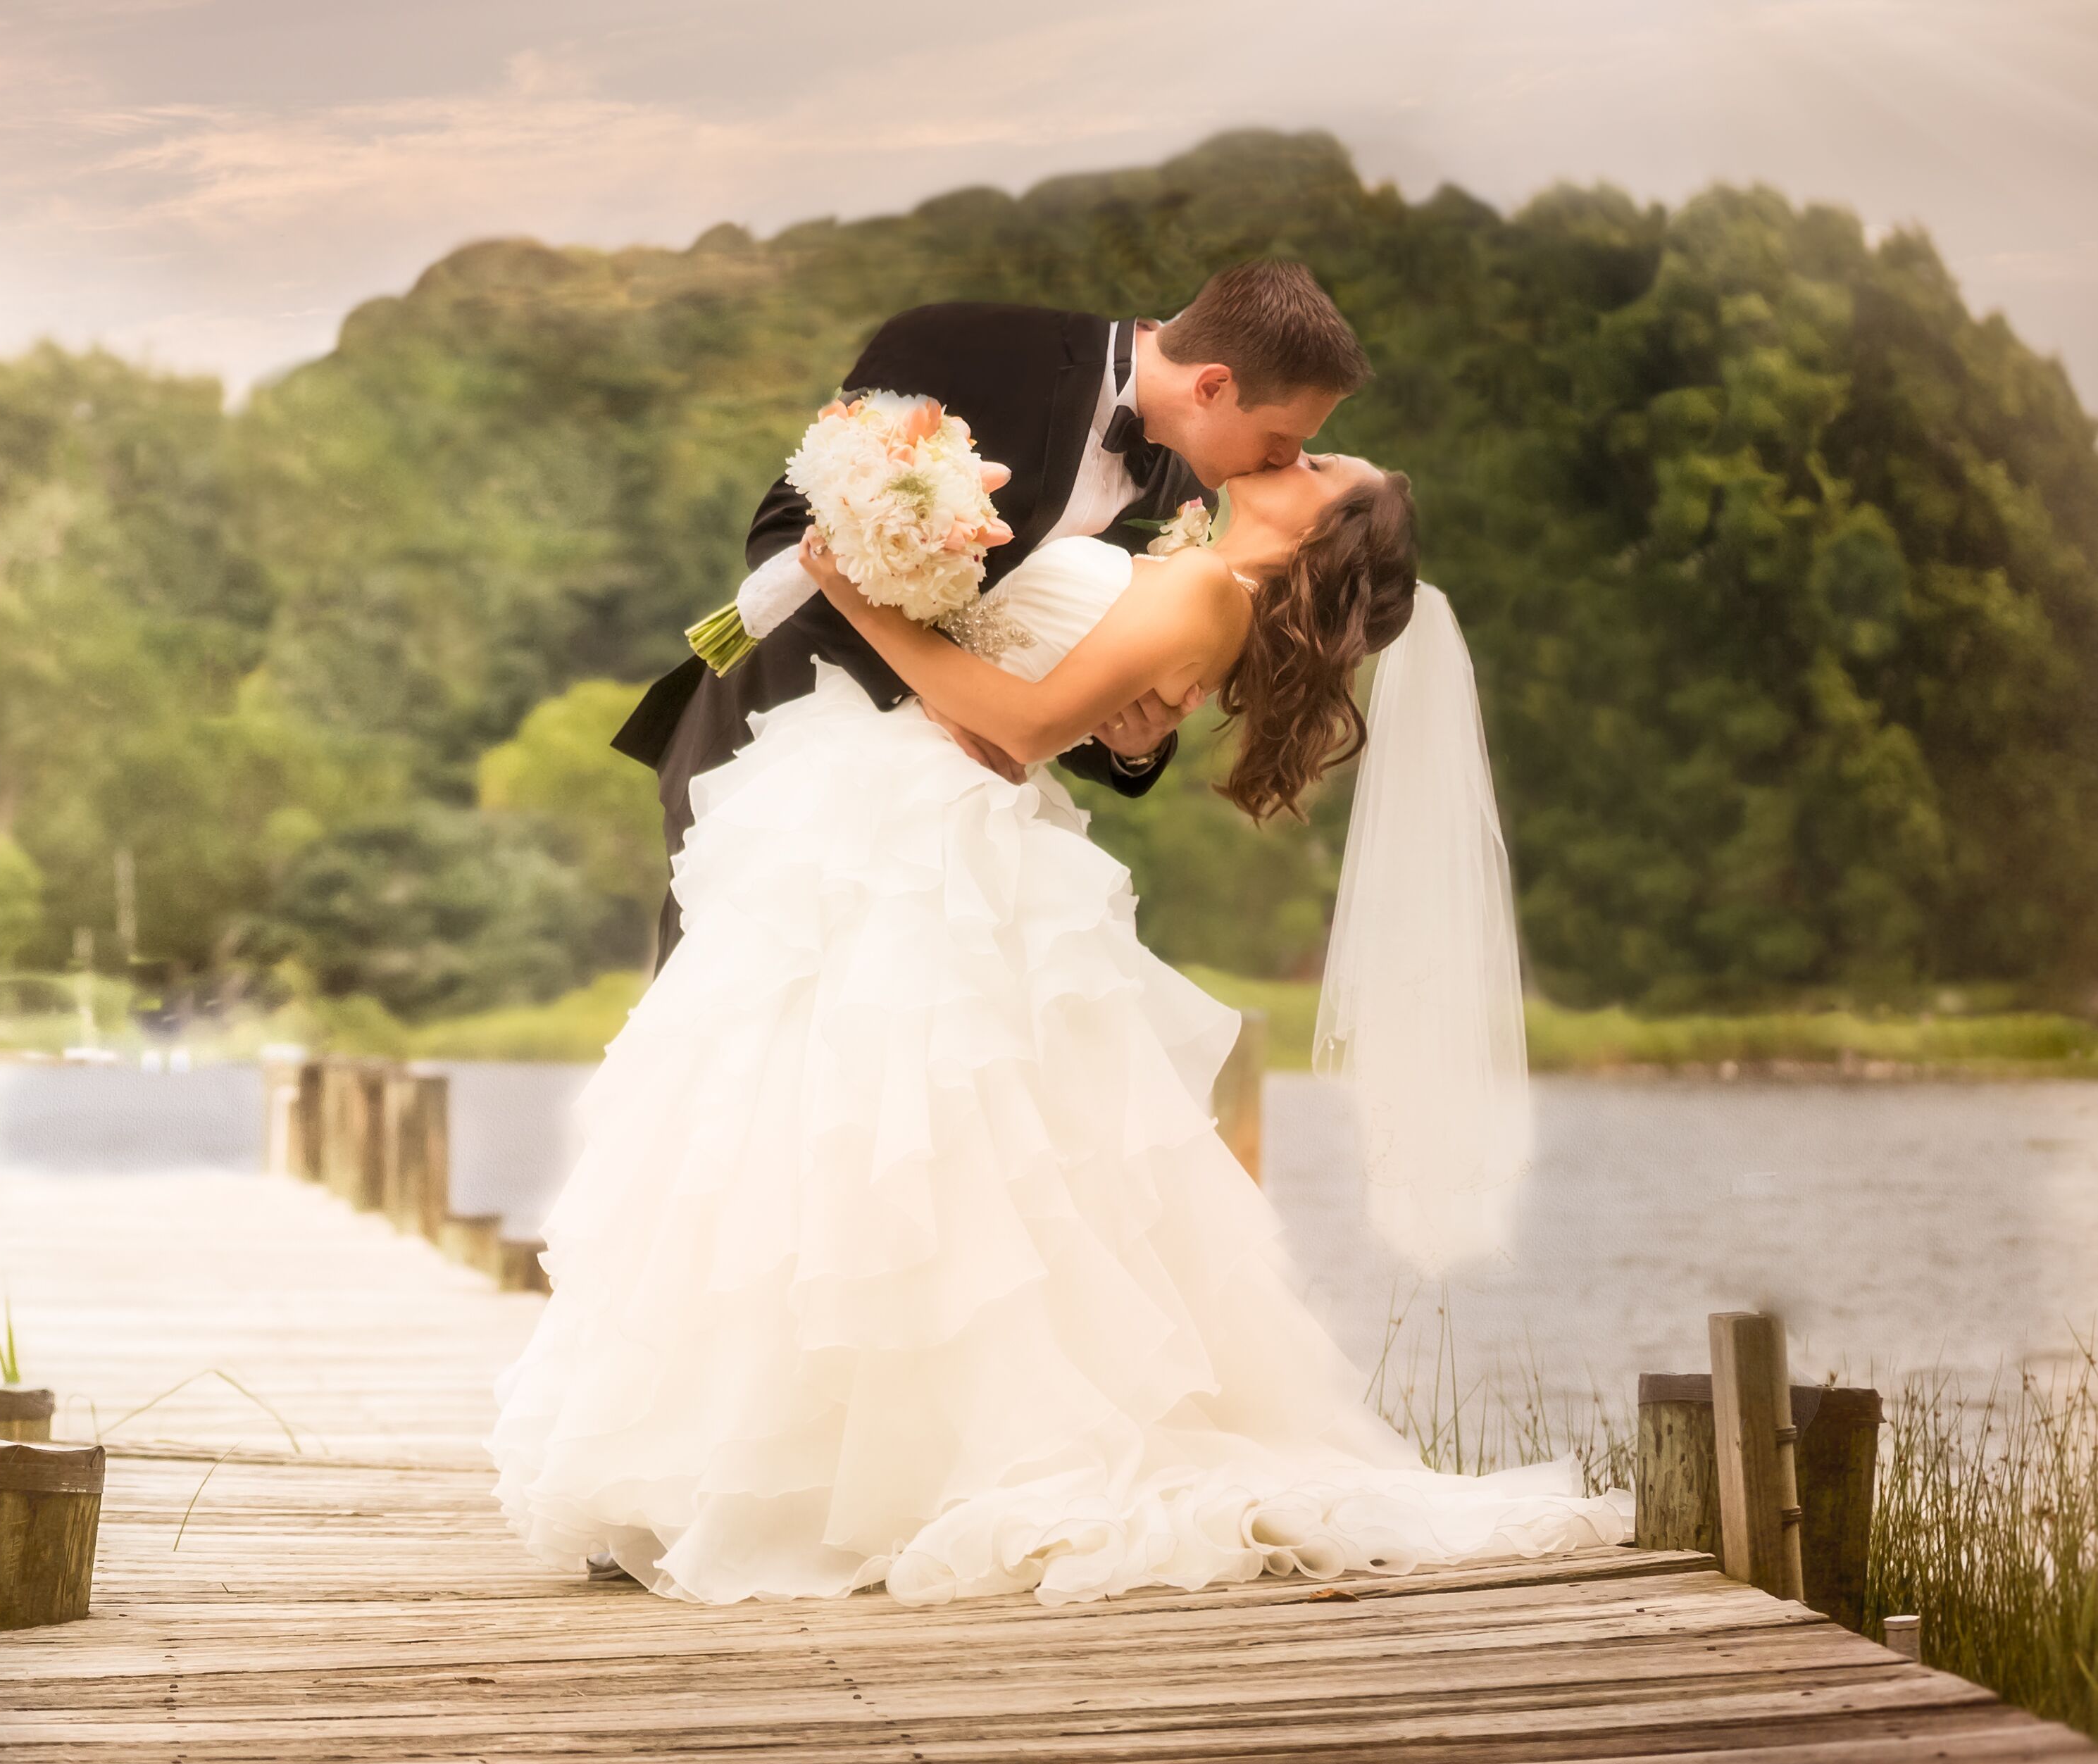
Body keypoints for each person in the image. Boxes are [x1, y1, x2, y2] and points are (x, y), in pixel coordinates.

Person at [492, 423, 1628, 1608]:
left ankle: (865, 1462)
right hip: (902, 811)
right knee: (828, 1130)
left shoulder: (1201, 588)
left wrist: (852, 594)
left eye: (1319, 472)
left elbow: (1021, 726)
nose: (1297, 458)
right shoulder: (1183, 565)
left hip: (929, 829)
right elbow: (1057, 698)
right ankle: (791, 1452)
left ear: (1318, 537)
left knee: (892, 1139)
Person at [613, 261, 1372, 961]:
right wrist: (939, 699)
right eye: (1280, 440)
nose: (1279, 461)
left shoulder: (1192, 492)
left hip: (950, 815)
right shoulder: (964, 344)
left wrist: (1128, 747)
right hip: (778, 737)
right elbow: (790, 536)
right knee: (743, 1028)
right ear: (1213, 386)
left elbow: (1065, 668)